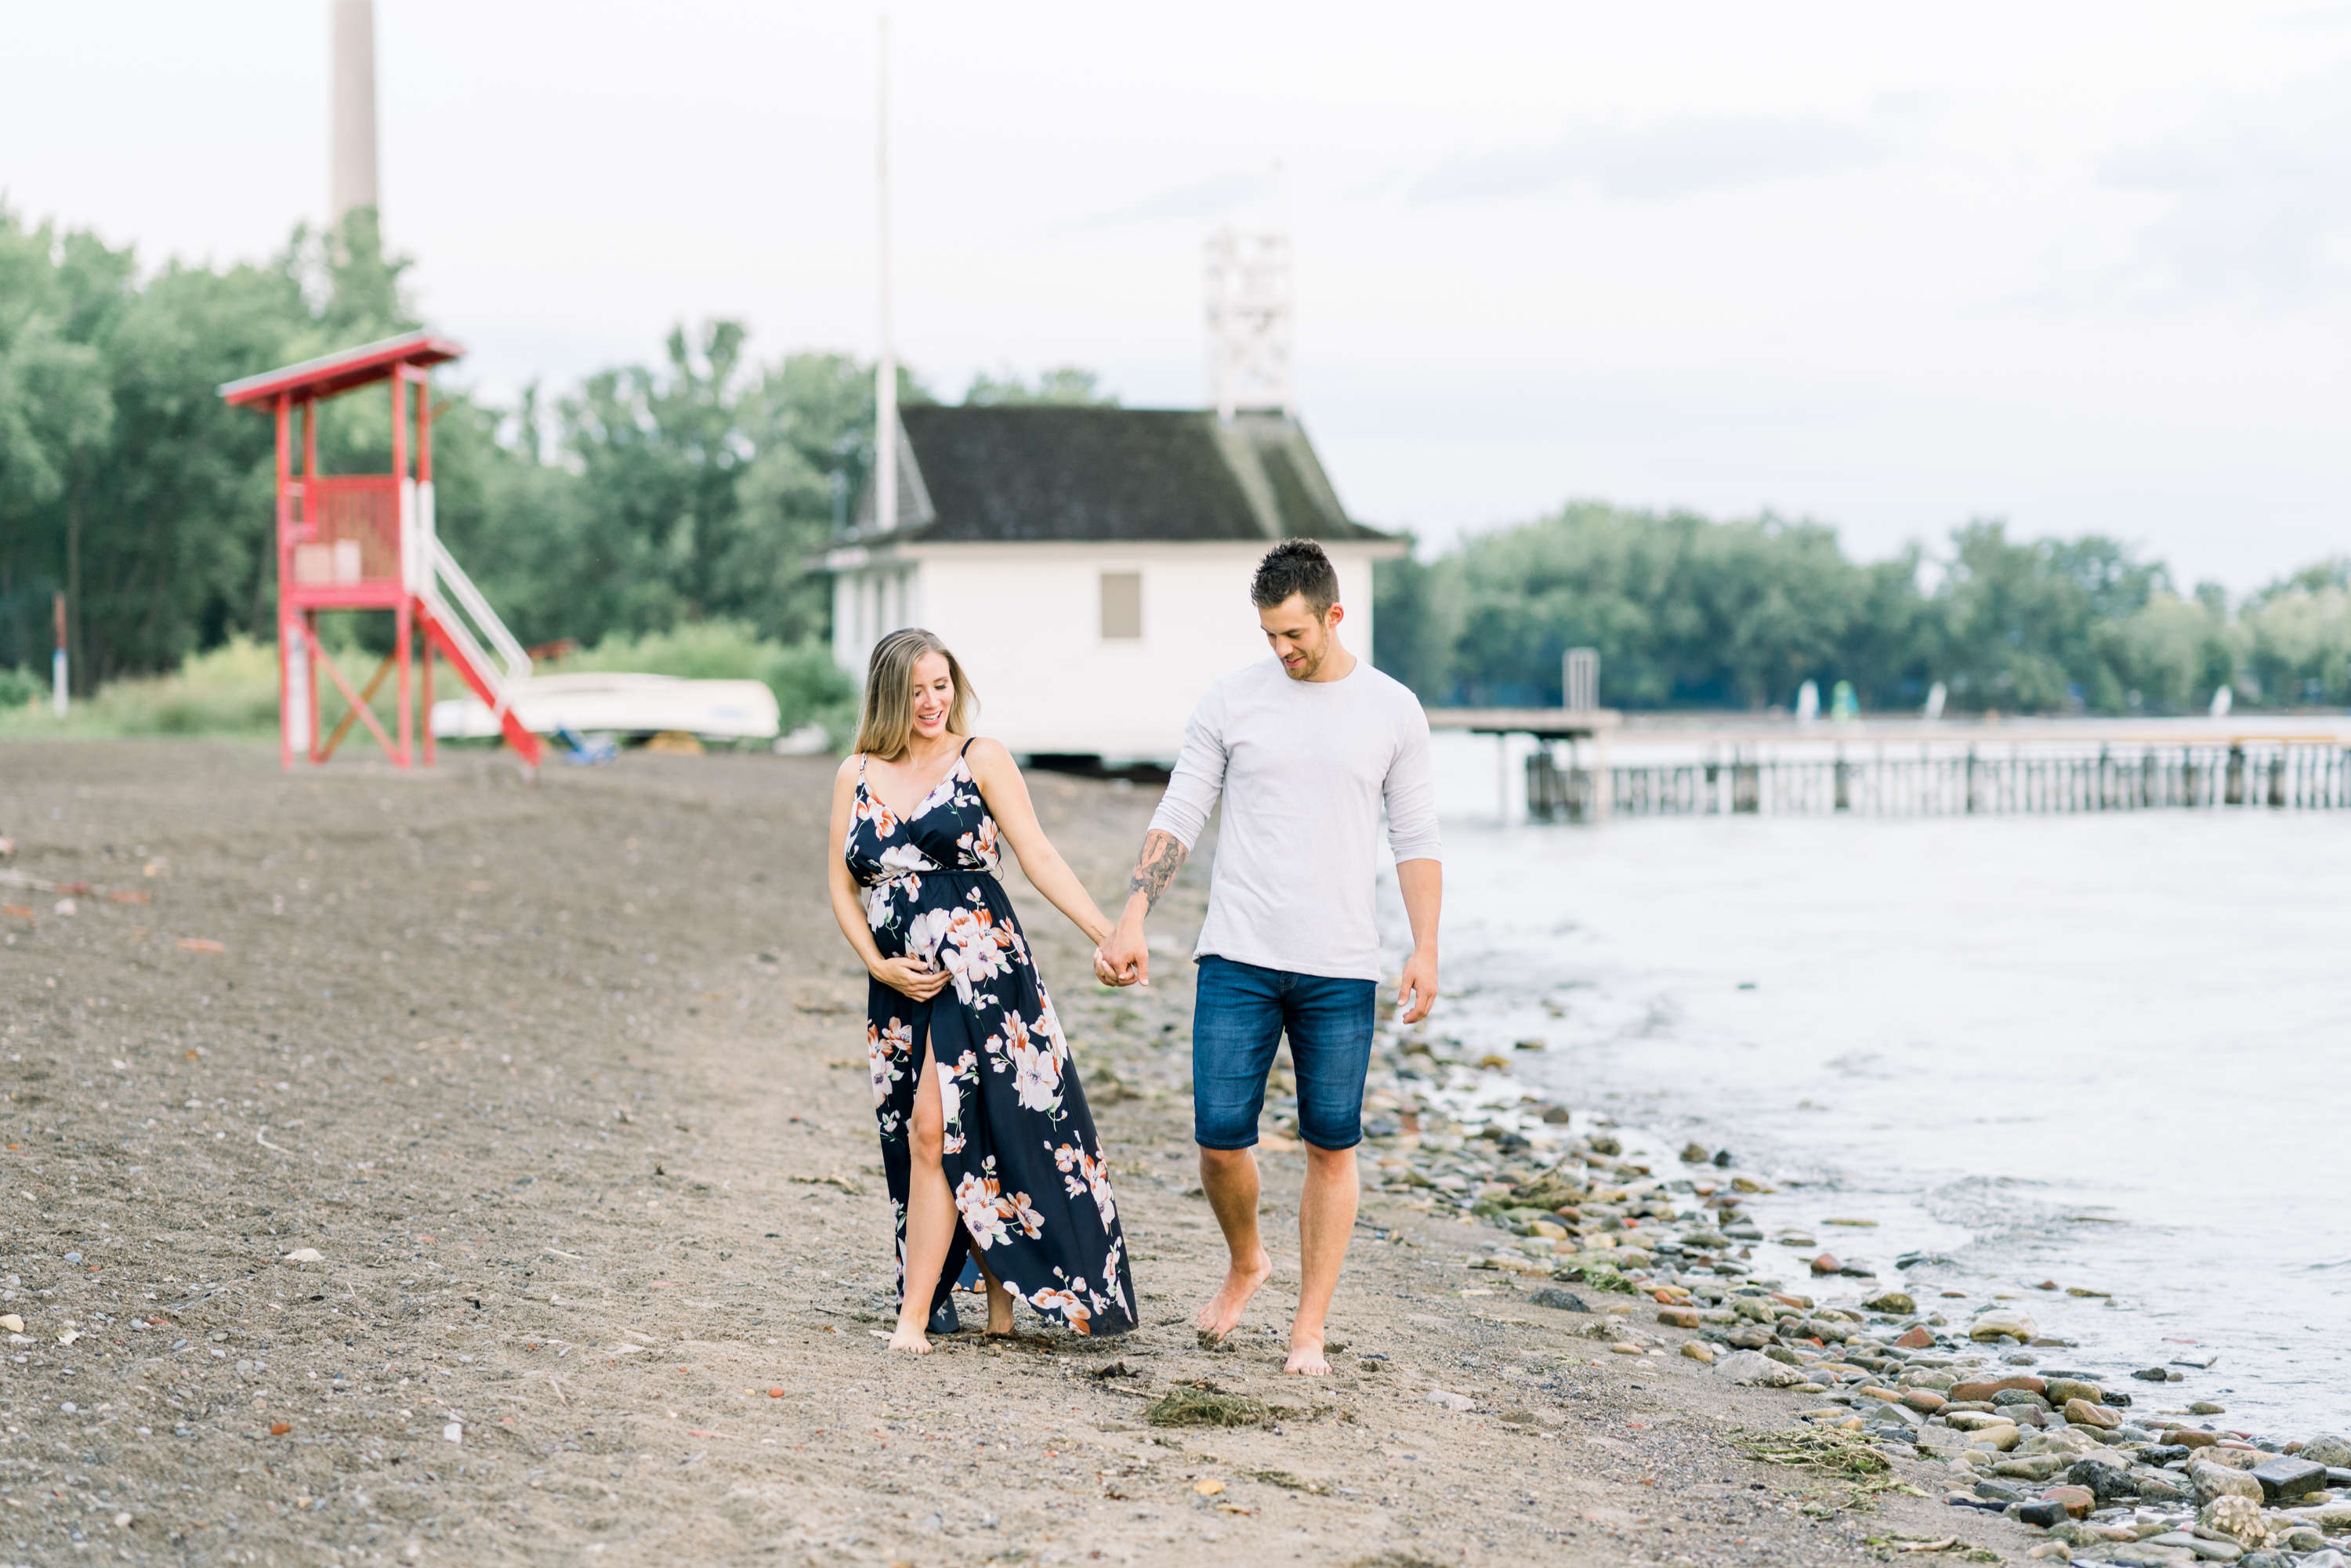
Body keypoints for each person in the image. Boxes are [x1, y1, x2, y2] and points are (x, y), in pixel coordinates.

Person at [1093, 538, 1440, 1375]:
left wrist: (1425, 946)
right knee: (1219, 1139)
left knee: (1332, 1145)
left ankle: (1308, 1330)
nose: (1282, 651)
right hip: (1238, 954)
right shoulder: (1231, 700)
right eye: (1269, 636)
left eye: (1295, 635)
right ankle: (1248, 1259)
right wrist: (1132, 914)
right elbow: (1182, 812)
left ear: (1333, 615)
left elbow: (1417, 838)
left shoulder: (1393, 710)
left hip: (1342, 965)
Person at [828, 628, 1137, 1353]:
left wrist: (1106, 931)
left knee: (937, 1128)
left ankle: (912, 1318)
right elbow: (841, 884)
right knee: (937, 1133)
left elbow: (1038, 854)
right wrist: (878, 963)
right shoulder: (855, 772)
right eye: (915, 691)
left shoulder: (981, 758)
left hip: (981, 971)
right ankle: (988, 1298)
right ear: (888, 696)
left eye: (941, 685)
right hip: (902, 982)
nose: (932, 702)